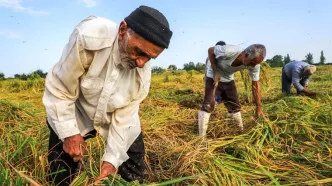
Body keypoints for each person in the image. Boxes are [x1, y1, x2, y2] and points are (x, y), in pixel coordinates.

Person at [42, 5, 172, 185]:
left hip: (114, 116)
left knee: (132, 167)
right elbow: (60, 87)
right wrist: (69, 133)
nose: (142, 63)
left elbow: (124, 119)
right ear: (122, 30)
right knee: (61, 169)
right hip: (76, 110)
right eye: (139, 52)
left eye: (149, 58)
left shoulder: (141, 77)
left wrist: (111, 160)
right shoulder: (89, 37)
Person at [198, 43, 266, 136]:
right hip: (213, 74)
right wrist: (215, 71)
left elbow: (256, 85)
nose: (253, 66)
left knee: (235, 106)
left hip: (228, 78)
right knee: (209, 105)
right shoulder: (229, 50)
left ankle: (240, 132)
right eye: (253, 63)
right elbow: (211, 50)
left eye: (256, 64)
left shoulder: (255, 65)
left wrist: (258, 108)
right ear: (246, 55)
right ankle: (201, 138)